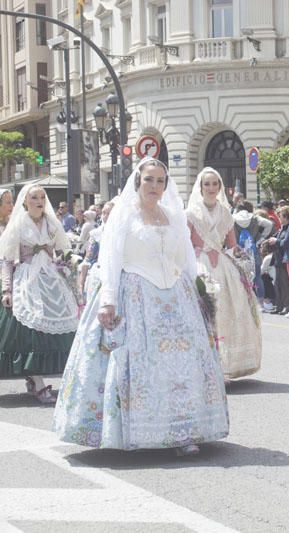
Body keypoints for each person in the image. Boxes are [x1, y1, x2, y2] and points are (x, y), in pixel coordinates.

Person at [53, 158, 229, 455]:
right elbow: (110, 259)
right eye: (149, 180)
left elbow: (186, 257)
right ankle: (136, 431)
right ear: (138, 182)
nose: (155, 186)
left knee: (183, 368)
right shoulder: (124, 216)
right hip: (135, 295)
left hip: (176, 296)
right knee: (142, 364)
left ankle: (184, 431)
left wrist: (198, 291)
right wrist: (107, 300)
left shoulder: (174, 216)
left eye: (160, 181)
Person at [0, 185, 78, 403]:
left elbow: (64, 253)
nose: (39, 201)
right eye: (34, 197)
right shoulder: (17, 224)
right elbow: (6, 259)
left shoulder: (53, 223)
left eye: (42, 197)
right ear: (25, 201)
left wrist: (71, 274)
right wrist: (7, 289)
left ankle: (50, 379)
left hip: (51, 278)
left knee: (61, 330)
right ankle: (38, 380)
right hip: (27, 280)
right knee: (29, 333)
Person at [186, 167, 262, 380]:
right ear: (200, 188)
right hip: (198, 264)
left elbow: (231, 244)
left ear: (220, 187)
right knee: (204, 312)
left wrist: (238, 254)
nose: (211, 188)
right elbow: (184, 243)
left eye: (215, 184)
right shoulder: (191, 213)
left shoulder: (226, 213)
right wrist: (198, 254)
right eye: (207, 184)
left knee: (227, 313)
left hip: (222, 265)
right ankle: (202, 364)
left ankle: (224, 364)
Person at [233, 201, 274, 308]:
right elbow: (269, 224)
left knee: (239, 277)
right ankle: (260, 302)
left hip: (239, 251)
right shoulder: (255, 218)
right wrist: (260, 239)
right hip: (253, 250)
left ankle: (244, 302)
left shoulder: (233, 218)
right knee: (257, 277)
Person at [269, 206, 289, 315]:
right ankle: (279, 305)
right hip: (278, 259)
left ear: (286, 217)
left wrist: (276, 241)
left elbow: (285, 242)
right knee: (278, 283)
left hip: (284, 259)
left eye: (280, 216)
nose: (279, 218)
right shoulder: (282, 228)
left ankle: (288, 306)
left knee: (286, 284)